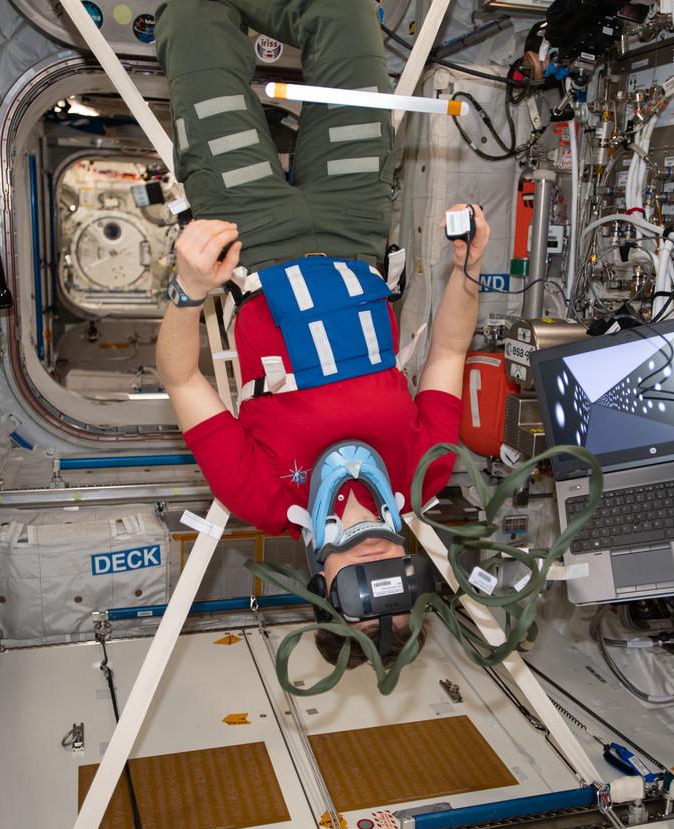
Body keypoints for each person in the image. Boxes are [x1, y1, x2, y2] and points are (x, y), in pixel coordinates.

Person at [154, 0, 488, 668]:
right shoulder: (424, 473)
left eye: (362, 594)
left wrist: (188, 291)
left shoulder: (260, 497)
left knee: (191, 18)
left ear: (320, 586)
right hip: (354, 228)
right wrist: (469, 270)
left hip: (249, 238)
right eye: (396, 586)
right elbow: (450, 350)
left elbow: (181, 377)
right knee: (344, 12)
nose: (375, 565)